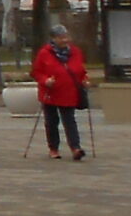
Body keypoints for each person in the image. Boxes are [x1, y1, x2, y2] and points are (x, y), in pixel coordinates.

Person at [32, 23, 90, 160]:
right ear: (53, 39)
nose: (65, 40)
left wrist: (85, 80)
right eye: (61, 37)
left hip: (69, 92)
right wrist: (45, 80)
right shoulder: (44, 53)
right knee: (51, 122)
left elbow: (81, 70)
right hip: (50, 93)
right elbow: (36, 72)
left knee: (70, 121)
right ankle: (53, 149)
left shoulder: (75, 52)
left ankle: (75, 148)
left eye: (66, 37)